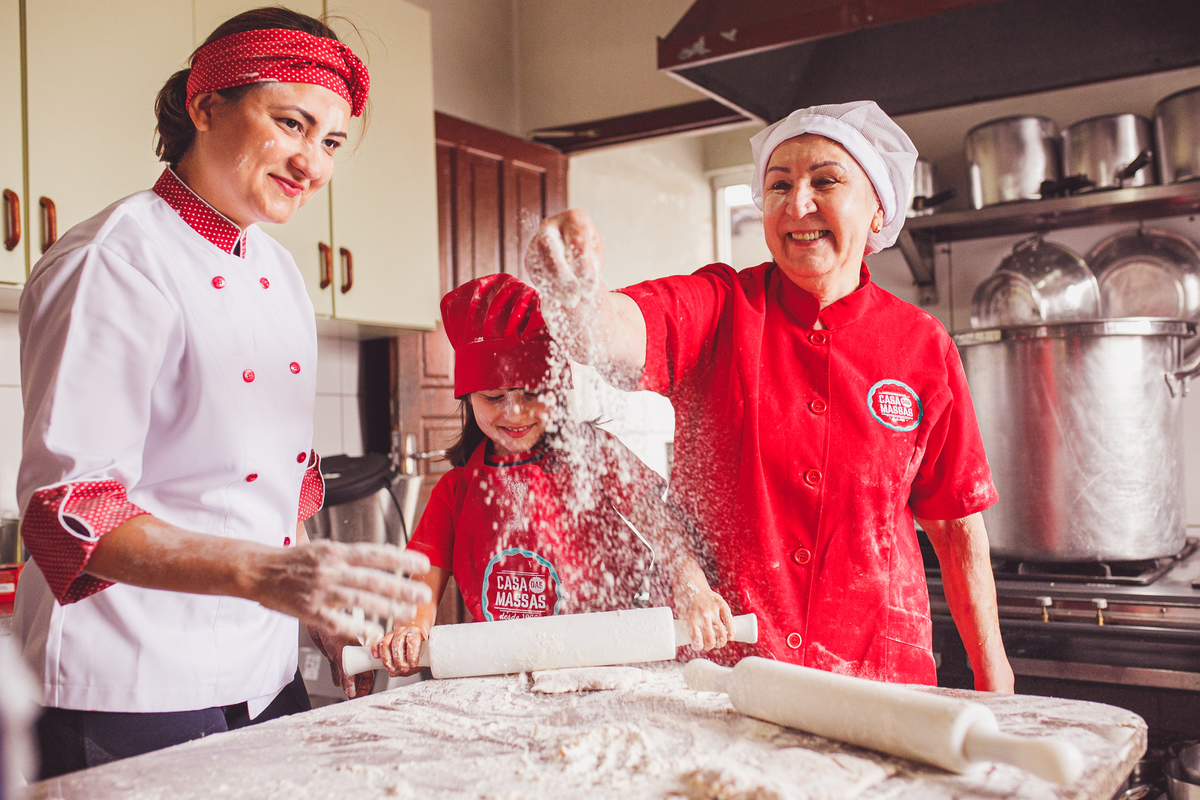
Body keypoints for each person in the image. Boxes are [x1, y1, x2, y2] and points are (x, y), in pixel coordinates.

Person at [13, 8, 431, 778]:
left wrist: (322, 611)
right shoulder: (115, 260)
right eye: (291, 124)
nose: (313, 163)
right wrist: (271, 578)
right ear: (207, 108)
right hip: (130, 692)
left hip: (264, 677)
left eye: (331, 141)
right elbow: (69, 517)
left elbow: (280, 485)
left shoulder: (280, 273)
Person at [525, 101, 1014, 692]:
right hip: (733, 675)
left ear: (879, 207)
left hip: (880, 679)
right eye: (779, 184)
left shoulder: (922, 345)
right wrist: (577, 300)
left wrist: (997, 684)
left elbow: (957, 530)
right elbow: (618, 333)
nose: (796, 203)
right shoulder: (723, 306)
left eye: (825, 181)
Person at [373, 274, 734, 677]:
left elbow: (659, 520)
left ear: (558, 390)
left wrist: (694, 589)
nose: (513, 413)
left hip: (602, 661)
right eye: (493, 398)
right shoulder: (457, 489)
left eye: (531, 393)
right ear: (468, 398)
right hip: (502, 672)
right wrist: (412, 625)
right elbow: (426, 567)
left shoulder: (595, 456)